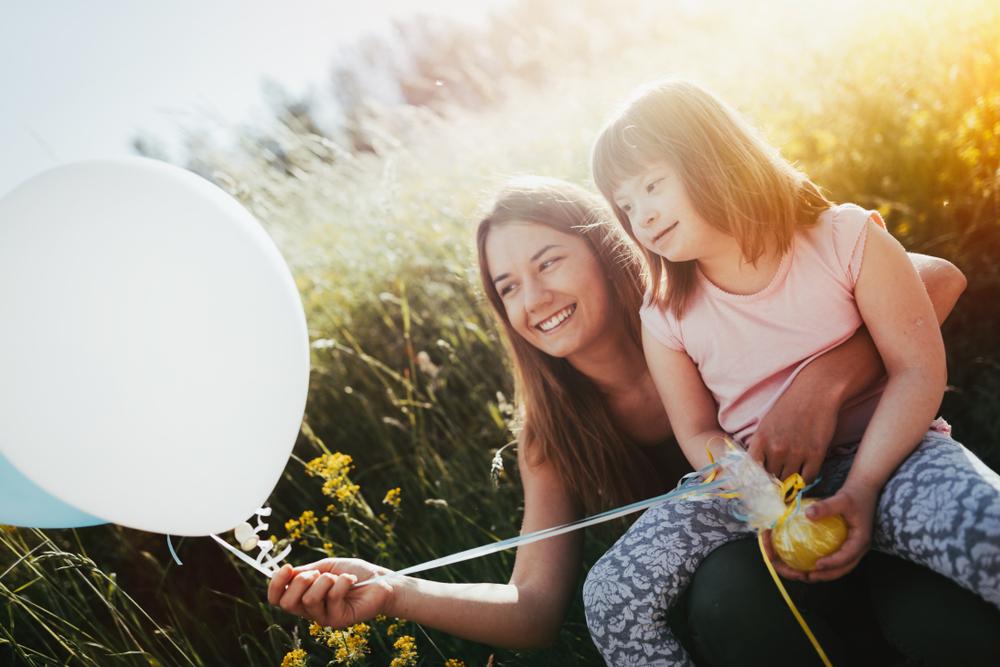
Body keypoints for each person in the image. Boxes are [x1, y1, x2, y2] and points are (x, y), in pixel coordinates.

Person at [266, 176, 970, 660]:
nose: (534, 297)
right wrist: (394, 590)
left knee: (946, 623)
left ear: (605, 251)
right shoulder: (554, 432)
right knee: (729, 586)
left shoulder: (696, 309)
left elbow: (936, 278)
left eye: (549, 262)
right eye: (508, 287)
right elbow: (533, 606)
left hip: (862, 507)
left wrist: (822, 380)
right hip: (755, 609)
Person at [583, 79, 1000, 666]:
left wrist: (863, 486)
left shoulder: (845, 239)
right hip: (756, 486)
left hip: (890, 453)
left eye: (653, 185)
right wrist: (760, 495)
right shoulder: (666, 313)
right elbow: (697, 431)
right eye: (625, 204)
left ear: (715, 157)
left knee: (990, 534)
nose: (642, 215)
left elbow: (914, 370)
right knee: (609, 595)